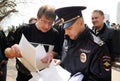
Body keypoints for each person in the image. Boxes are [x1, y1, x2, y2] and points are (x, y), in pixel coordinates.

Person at [4, 5, 62, 81]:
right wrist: (12, 51)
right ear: (38, 18)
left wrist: (52, 54)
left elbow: (57, 52)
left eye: (50, 23)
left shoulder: (55, 34)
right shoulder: (24, 29)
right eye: (44, 21)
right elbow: (6, 51)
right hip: (23, 76)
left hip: (44, 76)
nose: (46, 26)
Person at [55, 6, 111, 81]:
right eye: (64, 29)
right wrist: (61, 62)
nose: (66, 32)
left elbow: (102, 79)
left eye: (69, 28)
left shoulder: (97, 47)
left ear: (81, 23)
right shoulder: (67, 39)